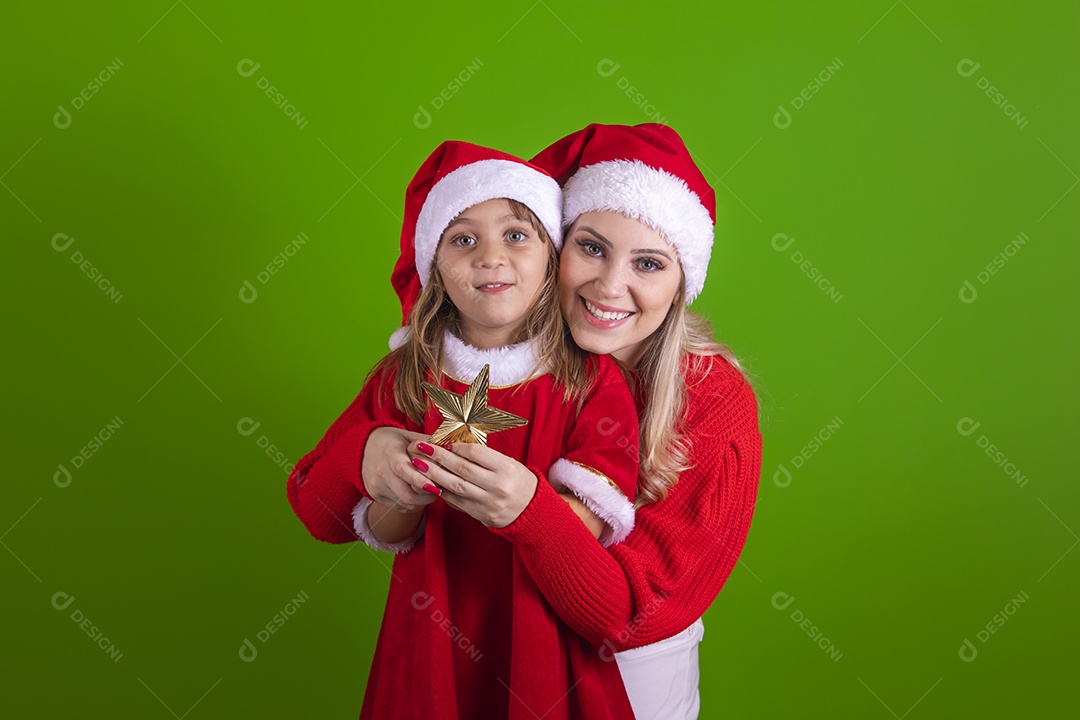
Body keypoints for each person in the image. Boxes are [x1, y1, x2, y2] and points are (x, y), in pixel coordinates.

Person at [400, 124, 763, 719]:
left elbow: (635, 616)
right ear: (550, 248)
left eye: (649, 263)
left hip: (630, 680)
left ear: (681, 286)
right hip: (490, 653)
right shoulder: (487, 361)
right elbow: (339, 503)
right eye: (591, 248)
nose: (609, 285)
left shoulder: (711, 399)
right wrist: (379, 453)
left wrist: (531, 512)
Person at [286, 140, 640, 719]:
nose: (490, 258)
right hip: (430, 631)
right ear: (436, 268)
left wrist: (526, 510)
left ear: (554, 257)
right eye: (463, 239)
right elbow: (351, 521)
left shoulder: (591, 382)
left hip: (542, 632)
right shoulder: (405, 377)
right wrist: (395, 486)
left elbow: (589, 528)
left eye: (516, 235)